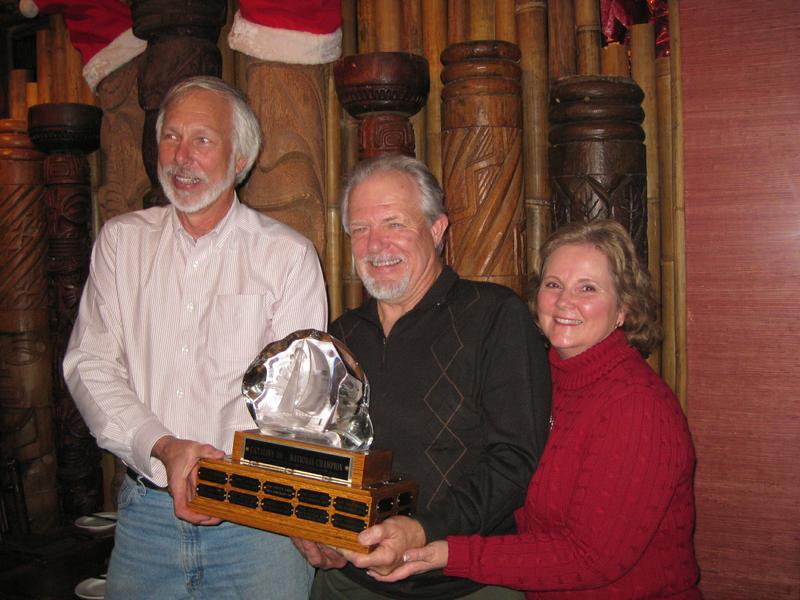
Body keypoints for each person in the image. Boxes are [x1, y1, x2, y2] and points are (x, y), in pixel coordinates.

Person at [63, 76, 327, 599]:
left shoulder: (287, 256)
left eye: (202, 140)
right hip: (145, 514)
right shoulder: (122, 244)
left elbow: (300, 406)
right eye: (171, 137)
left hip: (258, 523)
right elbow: (89, 365)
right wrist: (164, 447)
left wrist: (232, 477)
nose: (181, 157)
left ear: (240, 159)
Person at [373, 219, 702, 599]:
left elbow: (590, 557)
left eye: (588, 288)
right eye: (554, 285)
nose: (564, 302)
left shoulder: (636, 408)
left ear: (623, 309)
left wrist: (449, 552)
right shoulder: (543, 377)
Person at [293, 155, 552, 599]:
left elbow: (515, 461)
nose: (376, 245)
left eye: (394, 224)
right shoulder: (341, 335)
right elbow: (313, 453)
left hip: (464, 586)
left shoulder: (493, 316)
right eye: (360, 229)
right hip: (347, 584)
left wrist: (423, 529)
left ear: (436, 230)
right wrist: (309, 525)